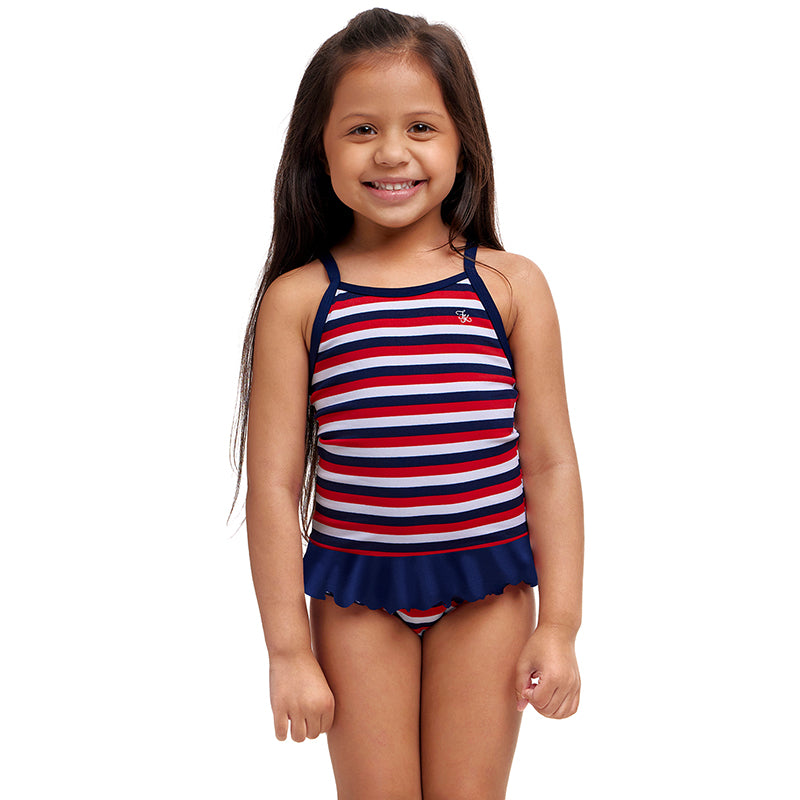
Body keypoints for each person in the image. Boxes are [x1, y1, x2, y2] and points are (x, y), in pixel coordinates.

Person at [230, 8, 583, 799]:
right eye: (361, 129)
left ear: (463, 142)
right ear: (319, 147)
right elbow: (274, 488)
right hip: (357, 603)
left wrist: (560, 624)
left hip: (488, 596)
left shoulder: (510, 286)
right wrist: (288, 651)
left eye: (421, 126)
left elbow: (551, 465)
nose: (392, 152)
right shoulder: (301, 300)